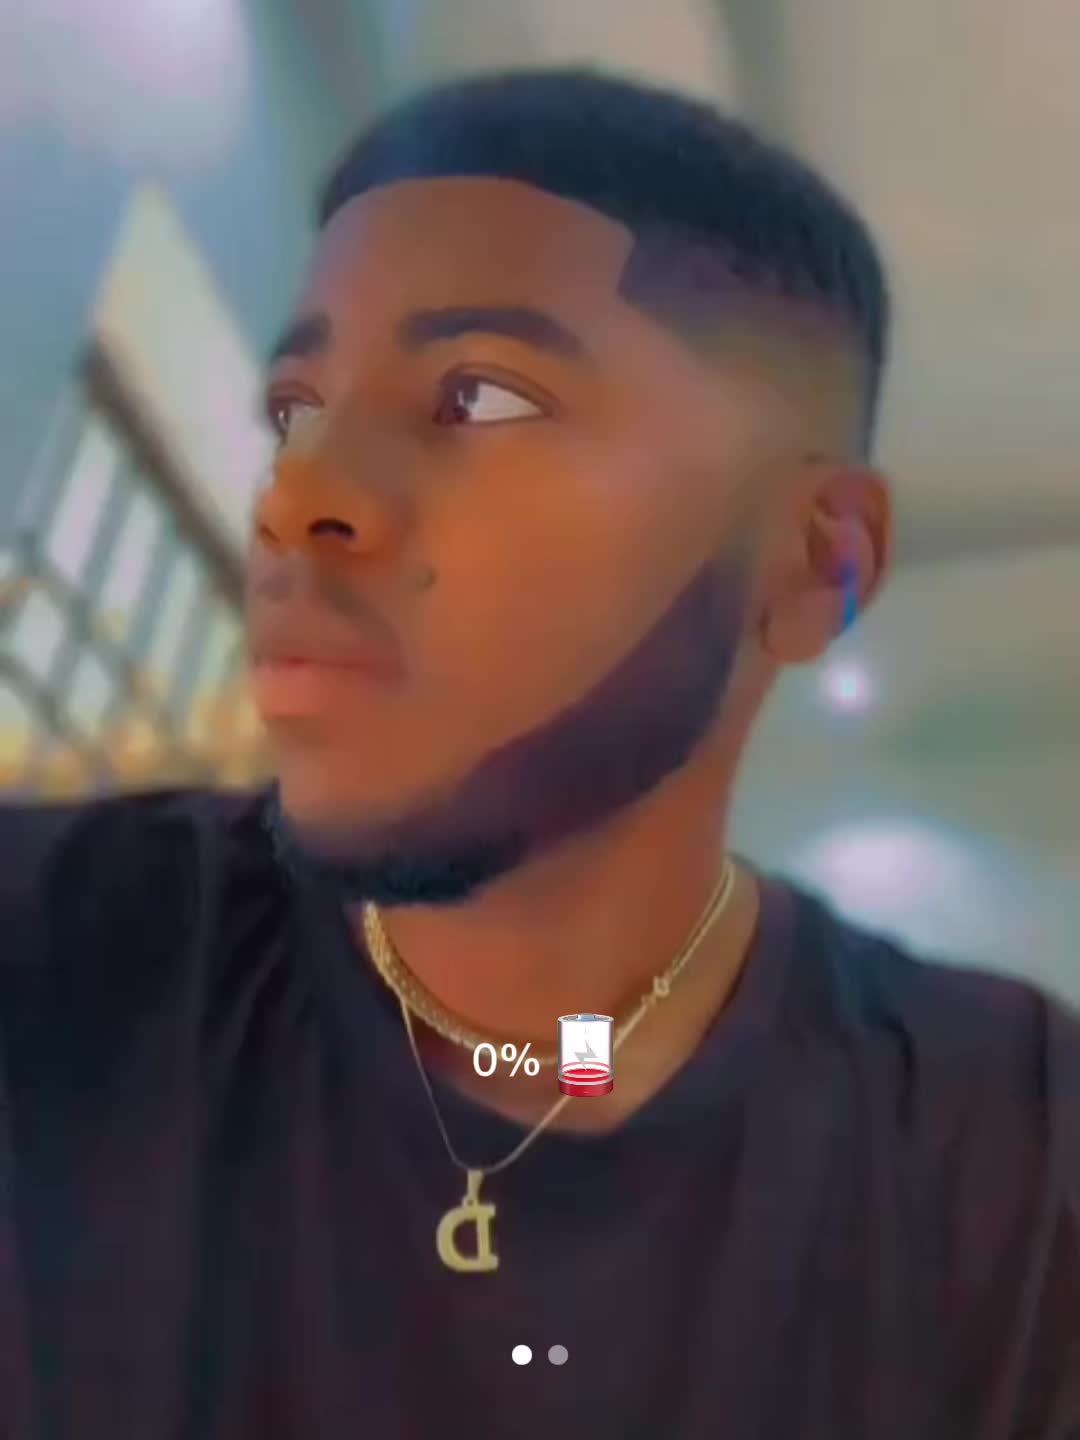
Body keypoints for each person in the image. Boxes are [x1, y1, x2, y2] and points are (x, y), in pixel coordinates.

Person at [0, 68, 1077, 1440]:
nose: (297, 497)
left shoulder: (1007, 1145)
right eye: (293, 411)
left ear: (820, 564)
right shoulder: (68, 953)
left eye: (479, 396)